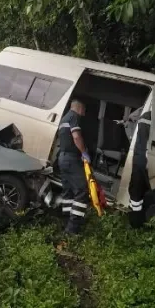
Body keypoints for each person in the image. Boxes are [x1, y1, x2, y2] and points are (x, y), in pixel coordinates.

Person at [57, 99, 90, 234]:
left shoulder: (64, 118)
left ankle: (65, 221)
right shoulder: (74, 117)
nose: (84, 114)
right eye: (84, 110)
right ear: (80, 108)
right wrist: (84, 152)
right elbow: (76, 137)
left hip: (62, 158)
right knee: (82, 190)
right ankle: (73, 227)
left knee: (68, 191)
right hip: (71, 158)